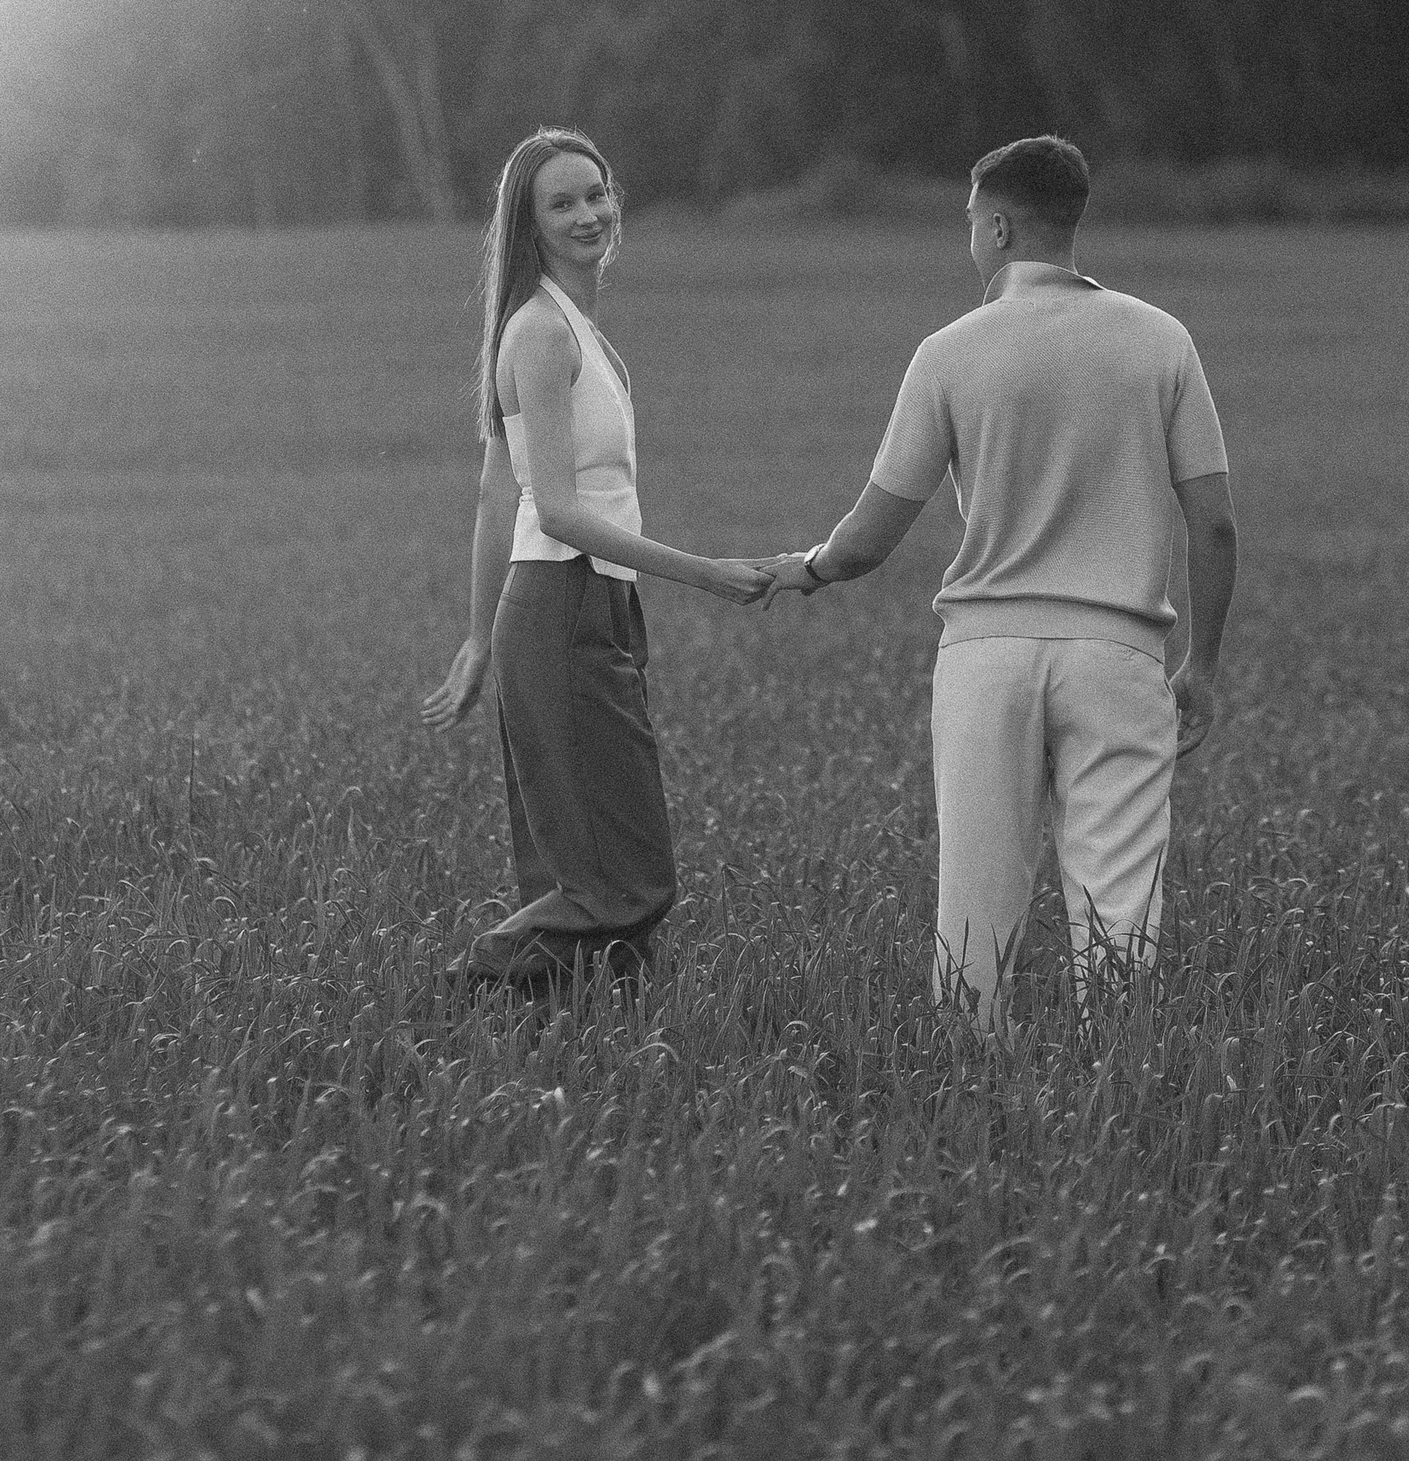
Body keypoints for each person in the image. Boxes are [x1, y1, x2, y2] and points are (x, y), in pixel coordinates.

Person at [749, 135, 1237, 1028]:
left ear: (1001, 228)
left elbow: (869, 537)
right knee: (1120, 905)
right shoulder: (1162, 340)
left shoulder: (949, 351)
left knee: (974, 907)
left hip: (986, 661)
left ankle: (969, 1077)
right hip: (1120, 657)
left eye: (973, 223)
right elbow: (1214, 523)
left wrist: (803, 570)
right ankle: (1118, 1077)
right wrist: (1201, 664)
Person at [423, 126, 767, 993]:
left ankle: (580, 1029)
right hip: (561, 602)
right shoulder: (542, 333)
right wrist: (707, 573)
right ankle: (465, 987)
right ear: (529, 224)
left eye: (596, 194)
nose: (588, 215)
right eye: (562, 203)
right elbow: (555, 512)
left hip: (587, 606)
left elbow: (496, 493)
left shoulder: (573, 329)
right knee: (625, 876)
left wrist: (478, 639)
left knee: (588, 861)